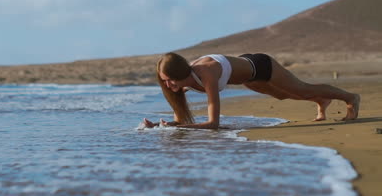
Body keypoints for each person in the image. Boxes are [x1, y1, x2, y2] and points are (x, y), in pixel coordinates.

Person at [143, 52, 360, 129]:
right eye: (164, 82)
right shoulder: (181, 83)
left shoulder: (205, 73)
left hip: (261, 66)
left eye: (171, 80)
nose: (169, 86)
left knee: (301, 89)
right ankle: (321, 102)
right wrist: (162, 127)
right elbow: (181, 120)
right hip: (247, 78)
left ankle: (350, 98)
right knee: (283, 95)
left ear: (181, 72)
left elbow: (213, 123)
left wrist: (186, 129)